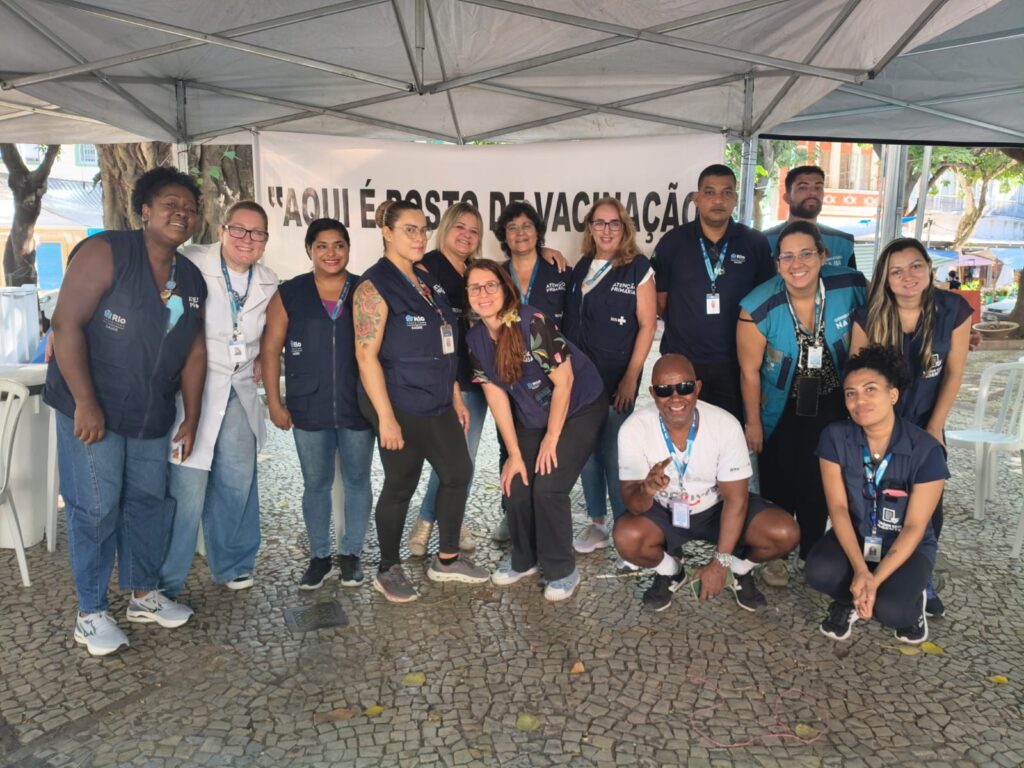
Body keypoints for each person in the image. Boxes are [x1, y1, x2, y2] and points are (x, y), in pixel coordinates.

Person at [44, 167, 207, 656]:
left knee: (146, 503)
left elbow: (194, 351)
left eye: (190, 208)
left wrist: (191, 416)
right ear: (144, 210)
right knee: (95, 507)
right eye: (170, 204)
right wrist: (86, 402)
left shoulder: (191, 278)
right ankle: (91, 613)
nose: (181, 214)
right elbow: (65, 325)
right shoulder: (106, 252)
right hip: (92, 408)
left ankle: (143, 594)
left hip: (150, 412)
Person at [353, 200, 489, 602]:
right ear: (386, 232)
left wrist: (455, 396)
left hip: (438, 398)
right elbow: (365, 356)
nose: (419, 237)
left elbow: (444, 341)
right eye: (409, 229)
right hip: (398, 402)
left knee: (458, 471)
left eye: (423, 229)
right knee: (401, 484)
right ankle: (388, 568)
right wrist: (385, 418)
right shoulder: (374, 286)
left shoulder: (425, 279)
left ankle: (446, 559)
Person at [464, 260, 607, 601]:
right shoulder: (474, 339)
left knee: (548, 485)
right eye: (475, 287)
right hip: (532, 415)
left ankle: (562, 570)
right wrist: (514, 454)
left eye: (490, 285)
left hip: (579, 407)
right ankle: (524, 559)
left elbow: (565, 381)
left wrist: (552, 439)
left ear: (505, 288)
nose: (483, 293)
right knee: (516, 484)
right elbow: (497, 397)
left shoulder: (532, 323)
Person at [613, 354, 799, 613]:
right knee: (626, 537)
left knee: (784, 533)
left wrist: (720, 563)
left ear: (697, 388)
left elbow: (736, 501)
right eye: (665, 390)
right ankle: (671, 572)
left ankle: (738, 569)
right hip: (664, 510)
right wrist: (646, 490)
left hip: (717, 509)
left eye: (685, 387)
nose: (676, 397)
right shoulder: (634, 429)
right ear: (653, 393)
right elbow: (634, 505)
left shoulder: (725, 425)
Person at [159, 201, 278, 599]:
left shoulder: (268, 280)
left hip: (239, 388)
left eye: (257, 233)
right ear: (223, 230)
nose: (247, 239)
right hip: (193, 387)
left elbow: (272, 331)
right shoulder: (192, 260)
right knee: (185, 485)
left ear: (265, 240)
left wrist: (261, 355)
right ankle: (165, 579)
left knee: (237, 480)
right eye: (239, 229)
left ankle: (234, 563)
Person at [737, 221, 866, 584]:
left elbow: (890, 311)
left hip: (831, 403)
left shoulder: (851, 285)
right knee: (777, 477)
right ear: (777, 263)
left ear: (823, 256)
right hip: (780, 406)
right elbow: (749, 372)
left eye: (807, 254)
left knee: (821, 478)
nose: (798, 264)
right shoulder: (757, 306)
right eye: (788, 256)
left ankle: (811, 549)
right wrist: (753, 423)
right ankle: (776, 554)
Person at [849, 237, 971, 618]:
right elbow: (858, 375)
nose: (908, 276)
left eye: (916, 266)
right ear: (885, 278)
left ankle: (922, 577)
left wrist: (935, 427)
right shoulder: (869, 315)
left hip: (925, 423)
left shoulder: (953, 310)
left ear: (929, 268)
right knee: (879, 498)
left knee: (929, 508)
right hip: (879, 426)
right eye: (896, 271)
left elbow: (954, 373)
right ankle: (870, 570)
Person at [261, 218, 376, 590]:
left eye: (339, 245)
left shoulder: (364, 290)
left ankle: (351, 554)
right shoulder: (290, 293)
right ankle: (320, 557)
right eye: (322, 246)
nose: (331, 253)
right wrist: (274, 402)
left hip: (357, 405)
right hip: (308, 405)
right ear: (309, 249)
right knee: (315, 484)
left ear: (348, 249)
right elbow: (270, 349)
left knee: (357, 481)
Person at [807, 345, 947, 645]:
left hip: (906, 545)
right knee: (819, 571)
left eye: (870, 389)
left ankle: (913, 598)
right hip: (859, 536)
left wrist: (875, 579)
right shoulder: (834, 437)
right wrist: (861, 570)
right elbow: (838, 508)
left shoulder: (926, 451)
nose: (859, 401)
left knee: (893, 611)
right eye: (851, 393)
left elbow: (914, 527)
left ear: (893, 395)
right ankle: (848, 599)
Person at [562, 197, 656, 555]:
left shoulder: (637, 268)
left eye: (614, 223)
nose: (606, 230)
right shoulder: (582, 267)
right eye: (599, 223)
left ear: (624, 228)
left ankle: (626, 528)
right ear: (590, 228)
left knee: (617, 454)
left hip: (617, 380)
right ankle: (598, 524)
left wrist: (631, 376)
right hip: (580, 382)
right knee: (587, 453)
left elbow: (648, 325)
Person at [653, 164, 774, 421]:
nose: (718, 200)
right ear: (696, 199)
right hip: (683, 363)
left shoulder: (755, 243)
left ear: (735, 199)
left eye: (726, 192)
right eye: (709, 192)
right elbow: (660, 302)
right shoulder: (672, 243)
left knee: (730, 431)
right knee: (682, 430)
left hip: (737, 364)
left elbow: (766, 305)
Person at [406, 202, 485, 557]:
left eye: (474, 231)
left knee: (464, 458)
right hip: (441, 379)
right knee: (449, 458)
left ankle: (448, 519)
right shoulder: (425, 267)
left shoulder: (477, 272)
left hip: (475, 377)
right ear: (446, 229)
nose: (466, 235)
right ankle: (427, 521)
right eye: (460, 227)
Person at [490, 201, 570, 543]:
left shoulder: (558, 271)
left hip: (553, 377)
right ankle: (512, 513)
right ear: (504, 236)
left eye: (526, 226)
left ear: (537, 232)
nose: (520, 233)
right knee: (507, 443)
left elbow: (572, 323)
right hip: (509, 374)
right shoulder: (496, 275)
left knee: (548, 441)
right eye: (512, 228)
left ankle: (543, 511)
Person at [762, 165, 858, 270]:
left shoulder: (843, 243)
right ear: (787, 197)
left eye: (818, 187)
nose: (813, 192)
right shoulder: (763, 241)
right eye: (803, 187)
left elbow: (853, 279)